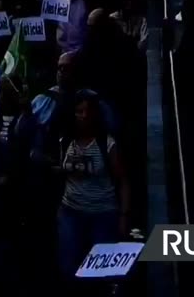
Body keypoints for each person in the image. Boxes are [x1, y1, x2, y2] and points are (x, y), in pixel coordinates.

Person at [56, 92, 129, 280]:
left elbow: (122, 180)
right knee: (70, 267)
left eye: (87, 111)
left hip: (102, 213)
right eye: (79, 111)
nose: (83, 116)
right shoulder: (66, 141)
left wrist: (122, 216)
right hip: (71, 211)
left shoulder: (107, 144)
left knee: (100, 272)